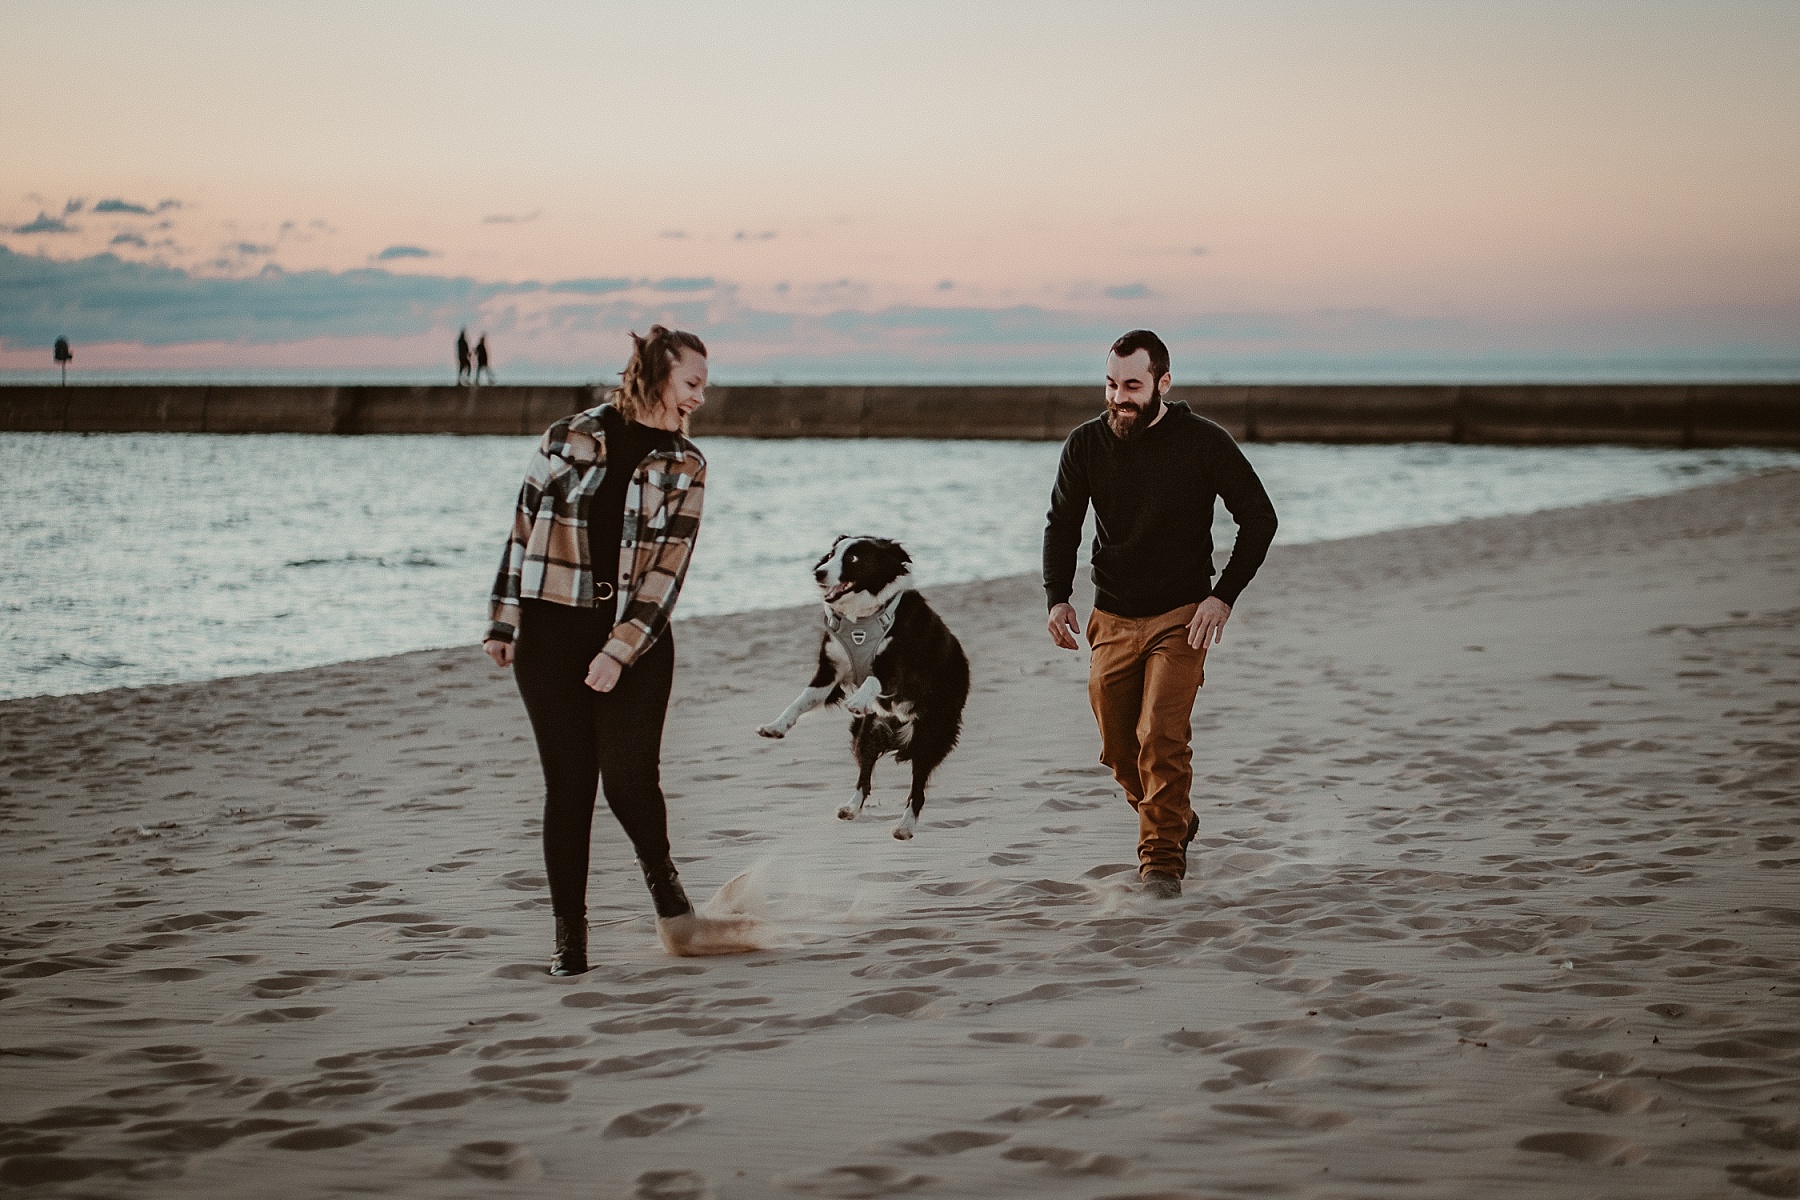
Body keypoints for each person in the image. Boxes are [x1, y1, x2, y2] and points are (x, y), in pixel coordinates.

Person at [484, 325, 751, 973]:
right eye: (692, 384)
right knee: (569, 788)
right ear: (658, 372)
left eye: (704, 388)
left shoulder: (686, 465)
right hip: (550, 632)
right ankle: (569, 947)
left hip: (637, 638)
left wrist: (618, 650)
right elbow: (522, 528)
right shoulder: (566, 437)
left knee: (629, 783)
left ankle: (671, 904)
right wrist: (503, 619)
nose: (699, 399)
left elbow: (667, 573)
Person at [1042, 330, 1278, 900]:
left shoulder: (1203, 442)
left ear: (1162, 384)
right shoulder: (1085, 445)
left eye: (1132, 386)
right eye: (1111, 384)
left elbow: (1260, 518)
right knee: (1120, 749)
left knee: (1160, 737)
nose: (1118, 397)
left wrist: (1223, 596)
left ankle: (1162, 864)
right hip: (1112, 619)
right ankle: (1173, 818)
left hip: (1182, 617)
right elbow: (1062, 525)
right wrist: (1057, 595)